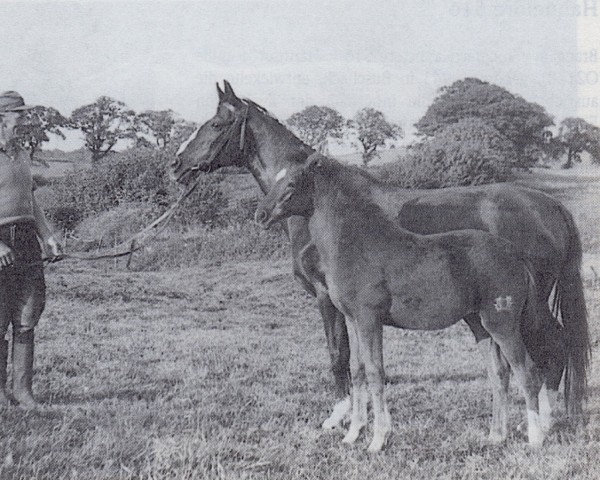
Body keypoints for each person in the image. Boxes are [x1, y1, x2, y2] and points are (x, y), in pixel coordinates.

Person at [0, 91, 63, 408]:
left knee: (27, 316)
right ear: (2, 118)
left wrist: (48, 236)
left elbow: (31, 202)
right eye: (19, 115)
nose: (25, 120)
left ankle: (23, 392)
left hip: (26, 239)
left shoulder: (22, 154)